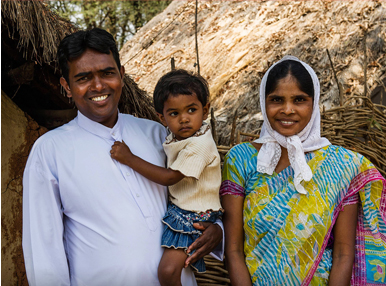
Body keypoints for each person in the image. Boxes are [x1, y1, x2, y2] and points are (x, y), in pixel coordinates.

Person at [22, 28, 223, 286]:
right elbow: (44, 252)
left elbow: (201, 189)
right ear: (67, 87)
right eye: (83, 78)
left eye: (107, 73)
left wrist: (217, 231)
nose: (98, 86)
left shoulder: (157, 134)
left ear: (122, 75)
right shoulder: (50, 151)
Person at [220, 55, 386, 285]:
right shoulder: (241, 160)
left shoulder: (343, 166)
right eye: (277, 99)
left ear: (314, 102)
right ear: (263, 101)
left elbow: (343, 254)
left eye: (299, 100)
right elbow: (234, 250)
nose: (287, 110)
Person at [110, 69, 223, 286]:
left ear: (205, 109)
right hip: (183, 210)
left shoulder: (200, 145)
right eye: (174, 114)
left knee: (168, 271)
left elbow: (170, 177)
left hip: (193, 215)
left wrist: (129, 158)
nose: (184, 119)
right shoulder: (178, 137)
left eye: (192, 110)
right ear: (162, 118)